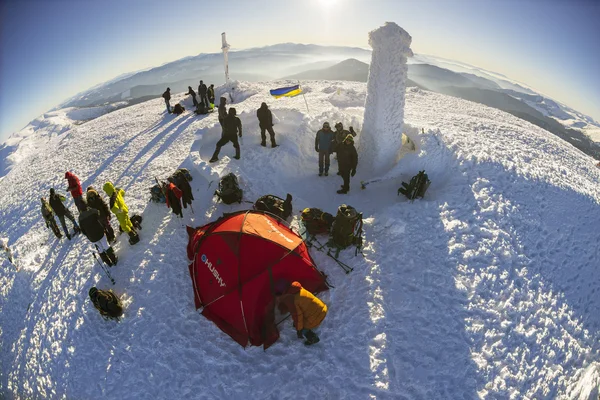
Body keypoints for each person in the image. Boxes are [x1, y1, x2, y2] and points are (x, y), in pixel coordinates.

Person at [282, 281, 327, 346]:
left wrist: (299, 330)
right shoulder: (300, 289)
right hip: (322, 308)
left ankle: (312, 338)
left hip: (316, 317)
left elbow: (298, 317)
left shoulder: (294, 300)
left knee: (301, 327)